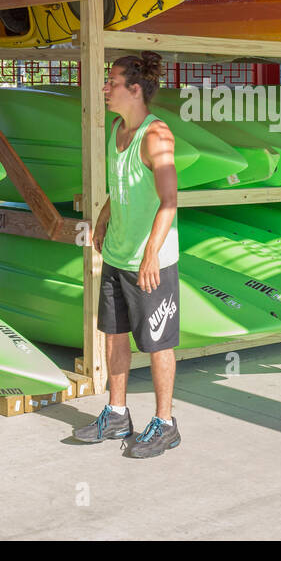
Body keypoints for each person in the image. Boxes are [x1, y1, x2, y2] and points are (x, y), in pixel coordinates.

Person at [73, 51, 181, 458]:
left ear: (134, 90)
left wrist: (151, 254)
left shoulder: (157, 136)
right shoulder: (117, 129)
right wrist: (102, 220)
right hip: (117, 255)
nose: (105, 88)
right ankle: (117, 414)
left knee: (157, 344)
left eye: (112, 81)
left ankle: (165, 423)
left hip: (150, 262)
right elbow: (121, 186)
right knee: (114, 334)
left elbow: (169, 200)